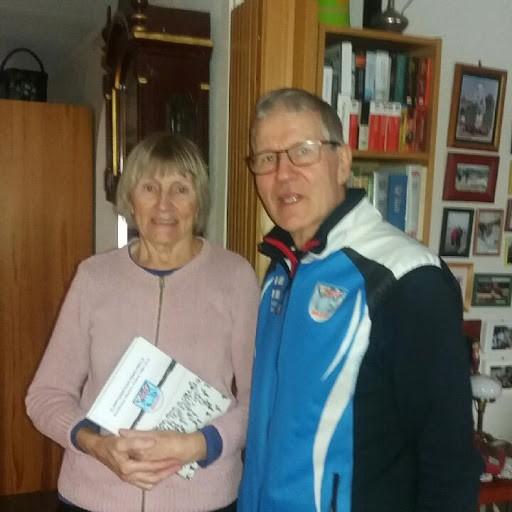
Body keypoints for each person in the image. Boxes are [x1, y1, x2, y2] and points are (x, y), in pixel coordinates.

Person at [238, 88, 482, 512]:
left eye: (302, 152)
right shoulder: (281, 272)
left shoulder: (406, 278)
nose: (283, 174)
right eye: (266, 158)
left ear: (343, 162)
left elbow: (449, 463)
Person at [26, 133, 260, 512]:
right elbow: (45, 396)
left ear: (199, 200)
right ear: (131, 200)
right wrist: (97, 445)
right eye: (149, 187)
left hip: (202, 499)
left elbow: (259, 397)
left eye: (180, 188)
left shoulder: (235, 277)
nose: (164, 204)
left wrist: (200, 444)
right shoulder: (93, 277)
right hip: (94, 497)